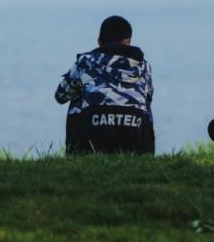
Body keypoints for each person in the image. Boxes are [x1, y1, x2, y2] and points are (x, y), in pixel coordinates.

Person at [54, 15, 155, 155]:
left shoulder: (85, 62)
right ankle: (145, 154)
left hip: (93, 137)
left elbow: (60, 96)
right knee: (144, 100)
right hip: (134, 137)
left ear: (99, 42)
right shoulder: (144, 67)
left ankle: (76, 154)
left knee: (78, 93)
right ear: (128, 41)